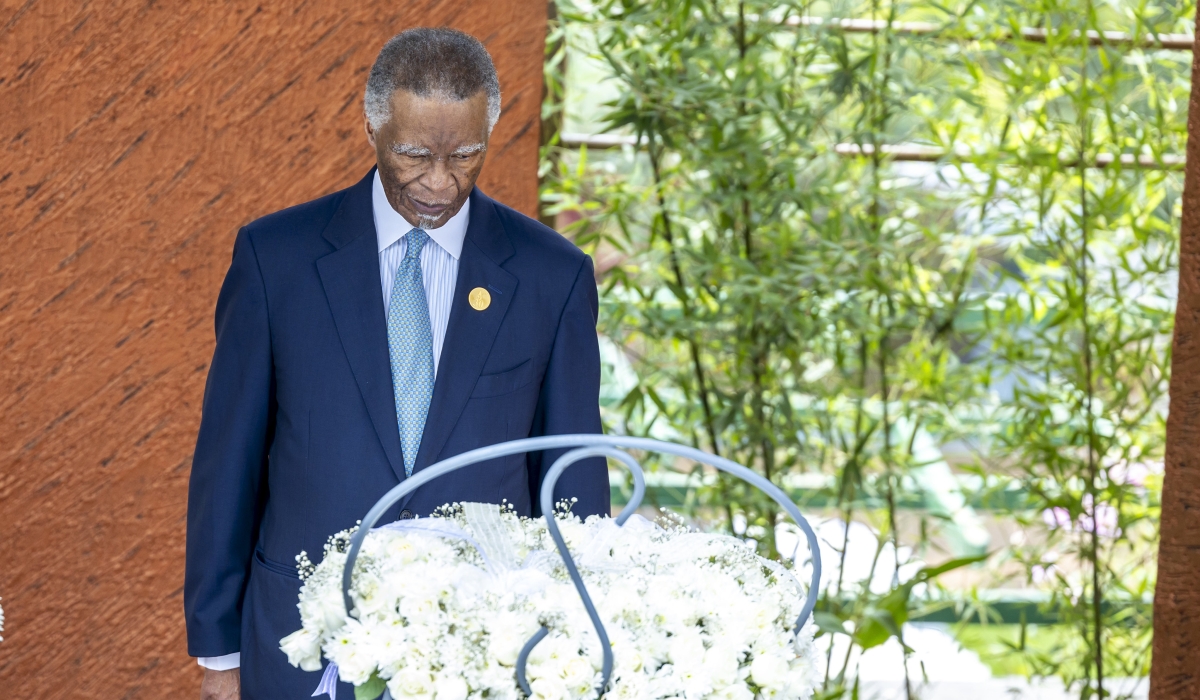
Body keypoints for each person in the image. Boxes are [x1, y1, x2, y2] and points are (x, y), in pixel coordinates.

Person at [184, 27, 609, 700]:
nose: (439, 182)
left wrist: (581, 649)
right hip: (299, 647)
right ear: (372, 126)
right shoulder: (276, 260)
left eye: (467, 155)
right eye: (414, 154)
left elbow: (573, 483)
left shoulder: (551, 276)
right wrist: (217, 654)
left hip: (488, 657)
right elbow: (228, 462)